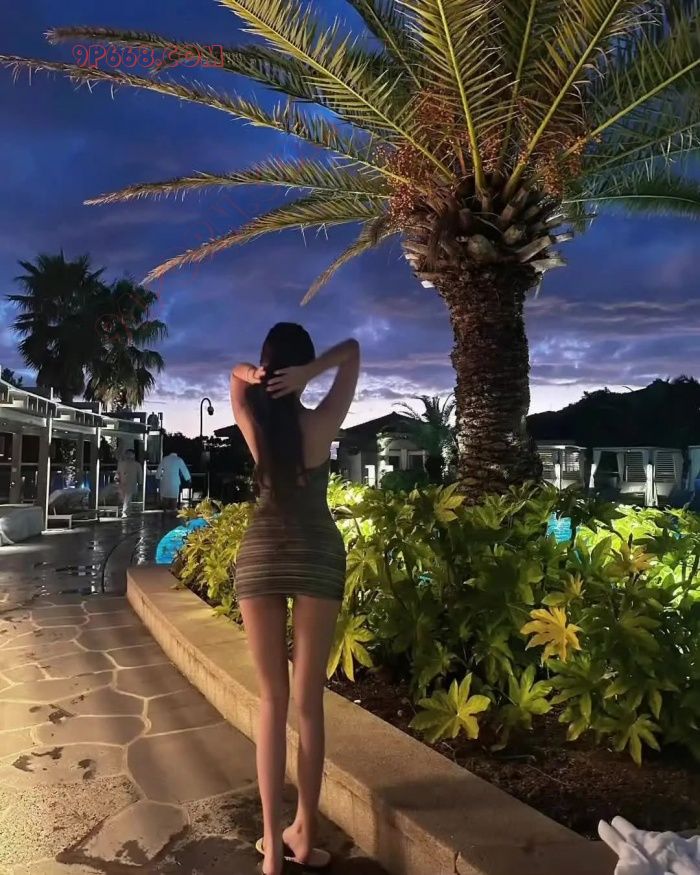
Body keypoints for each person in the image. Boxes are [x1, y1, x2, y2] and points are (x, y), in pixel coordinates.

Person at [230, 325, 360, 875]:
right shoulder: (320, 423)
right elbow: (351, 352)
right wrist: (312, 372)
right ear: (301, 370)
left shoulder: (255, 426)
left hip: (261, 553)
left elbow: (234, 380)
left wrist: (253, 374)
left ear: (267, 366)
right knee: (308, 703)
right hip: (316, 554)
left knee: (271, 701)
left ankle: (272, 846)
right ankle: (303, 834)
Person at [115, 449, 142, 518]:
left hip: (126, 483)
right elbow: (139, 475)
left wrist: (117, 479)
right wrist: (140, 482)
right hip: (128, 483)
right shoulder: (136, 464)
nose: (128, 455)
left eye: (129, 454)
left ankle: (125, 512)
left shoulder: (122, 463)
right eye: (127, 454)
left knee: (126, 498)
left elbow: (118, 472)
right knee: (126, 498)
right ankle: (126, 512)